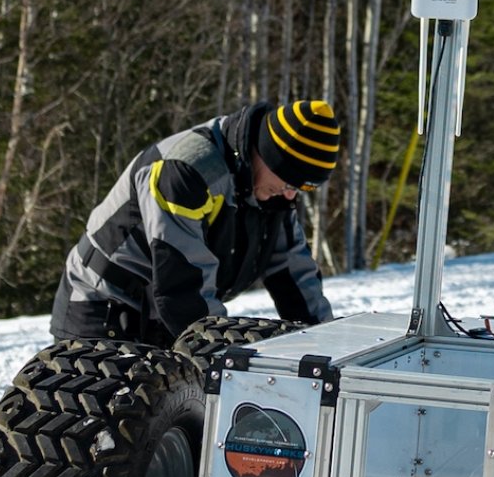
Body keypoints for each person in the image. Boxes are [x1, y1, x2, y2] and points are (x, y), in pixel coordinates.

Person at [50, 100, 339, 347]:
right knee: (108, 410)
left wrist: (322, 344)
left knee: (177, 408)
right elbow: (183, 282)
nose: (291, 194)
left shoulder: (270, 192)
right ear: (267, 156)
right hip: (104, 305)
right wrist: (227, 356)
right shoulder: (187, 171)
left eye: (303, 189)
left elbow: (292, 273)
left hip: (165, 310)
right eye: (289, 182)